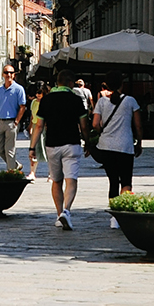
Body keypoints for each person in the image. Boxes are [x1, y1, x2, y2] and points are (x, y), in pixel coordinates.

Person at [32, 67, 90, 230]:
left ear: (57, 83)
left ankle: (59, 215)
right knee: (71, 180)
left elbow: (39, 126)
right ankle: (66, 210)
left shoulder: (46, 100)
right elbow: (84, 125)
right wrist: (88, 142)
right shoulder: (76, 99)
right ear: (70, 83)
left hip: (52, 145)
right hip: (72, 144)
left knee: (56, 181)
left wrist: (32, 147)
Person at [93, 73, 141, 225]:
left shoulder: (101, 102)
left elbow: (95, 124)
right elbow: (138, 125)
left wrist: (102, 131)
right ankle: (122, 212)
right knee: (126, 181)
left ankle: (114, 218)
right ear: (122, 84)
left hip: (106, 146)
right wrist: (139, 142)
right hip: (125, 145)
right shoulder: (130, 101)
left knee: (113, 181)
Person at [0, 66, 27, 170]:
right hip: (0, 122)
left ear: (14, 75)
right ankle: (15, 165)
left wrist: (16, 122)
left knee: (9, 150)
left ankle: (11, 173)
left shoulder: (19, 89)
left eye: (11, 72)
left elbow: (22, 107)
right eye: (6, 72)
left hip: (11, 122)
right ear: (2, 74)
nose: (8, 74)